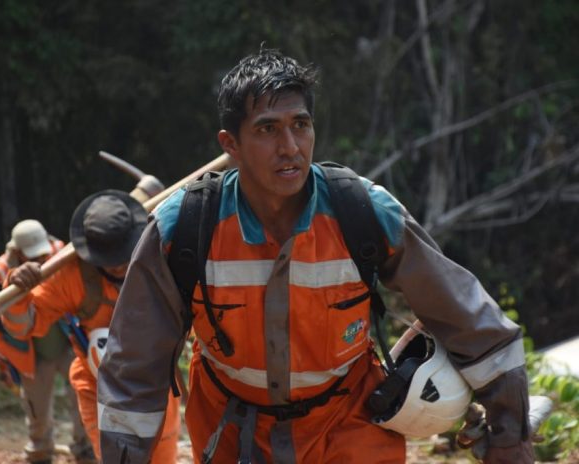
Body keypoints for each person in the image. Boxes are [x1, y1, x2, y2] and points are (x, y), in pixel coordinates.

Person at [96, 49, 534, 463]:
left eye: (300, 125)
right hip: (231, 427)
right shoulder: (184, 227)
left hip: (350, 422)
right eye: (267, 129)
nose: (290, 146)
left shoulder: (364, 212)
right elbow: (134, 367)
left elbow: (471, 323)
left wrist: (510, 436)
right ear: (231, 144)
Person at [1, 191, 181, 463]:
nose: (118, 265)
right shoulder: (71, 273)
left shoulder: (161, 255)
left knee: (161, 458)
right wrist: (17, 290)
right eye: (110, 258)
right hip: (99, 389)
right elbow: (25, 326)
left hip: (155, 382)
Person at [0, 219, 93, 464]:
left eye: (42, 254)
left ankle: (85, 447)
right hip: (30, 352)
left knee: (83, 393)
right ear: (17, 252)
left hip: (66, 340)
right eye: (33, 256)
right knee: (37, 408)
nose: (41, 259)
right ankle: (40, 451)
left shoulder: (61, 253)